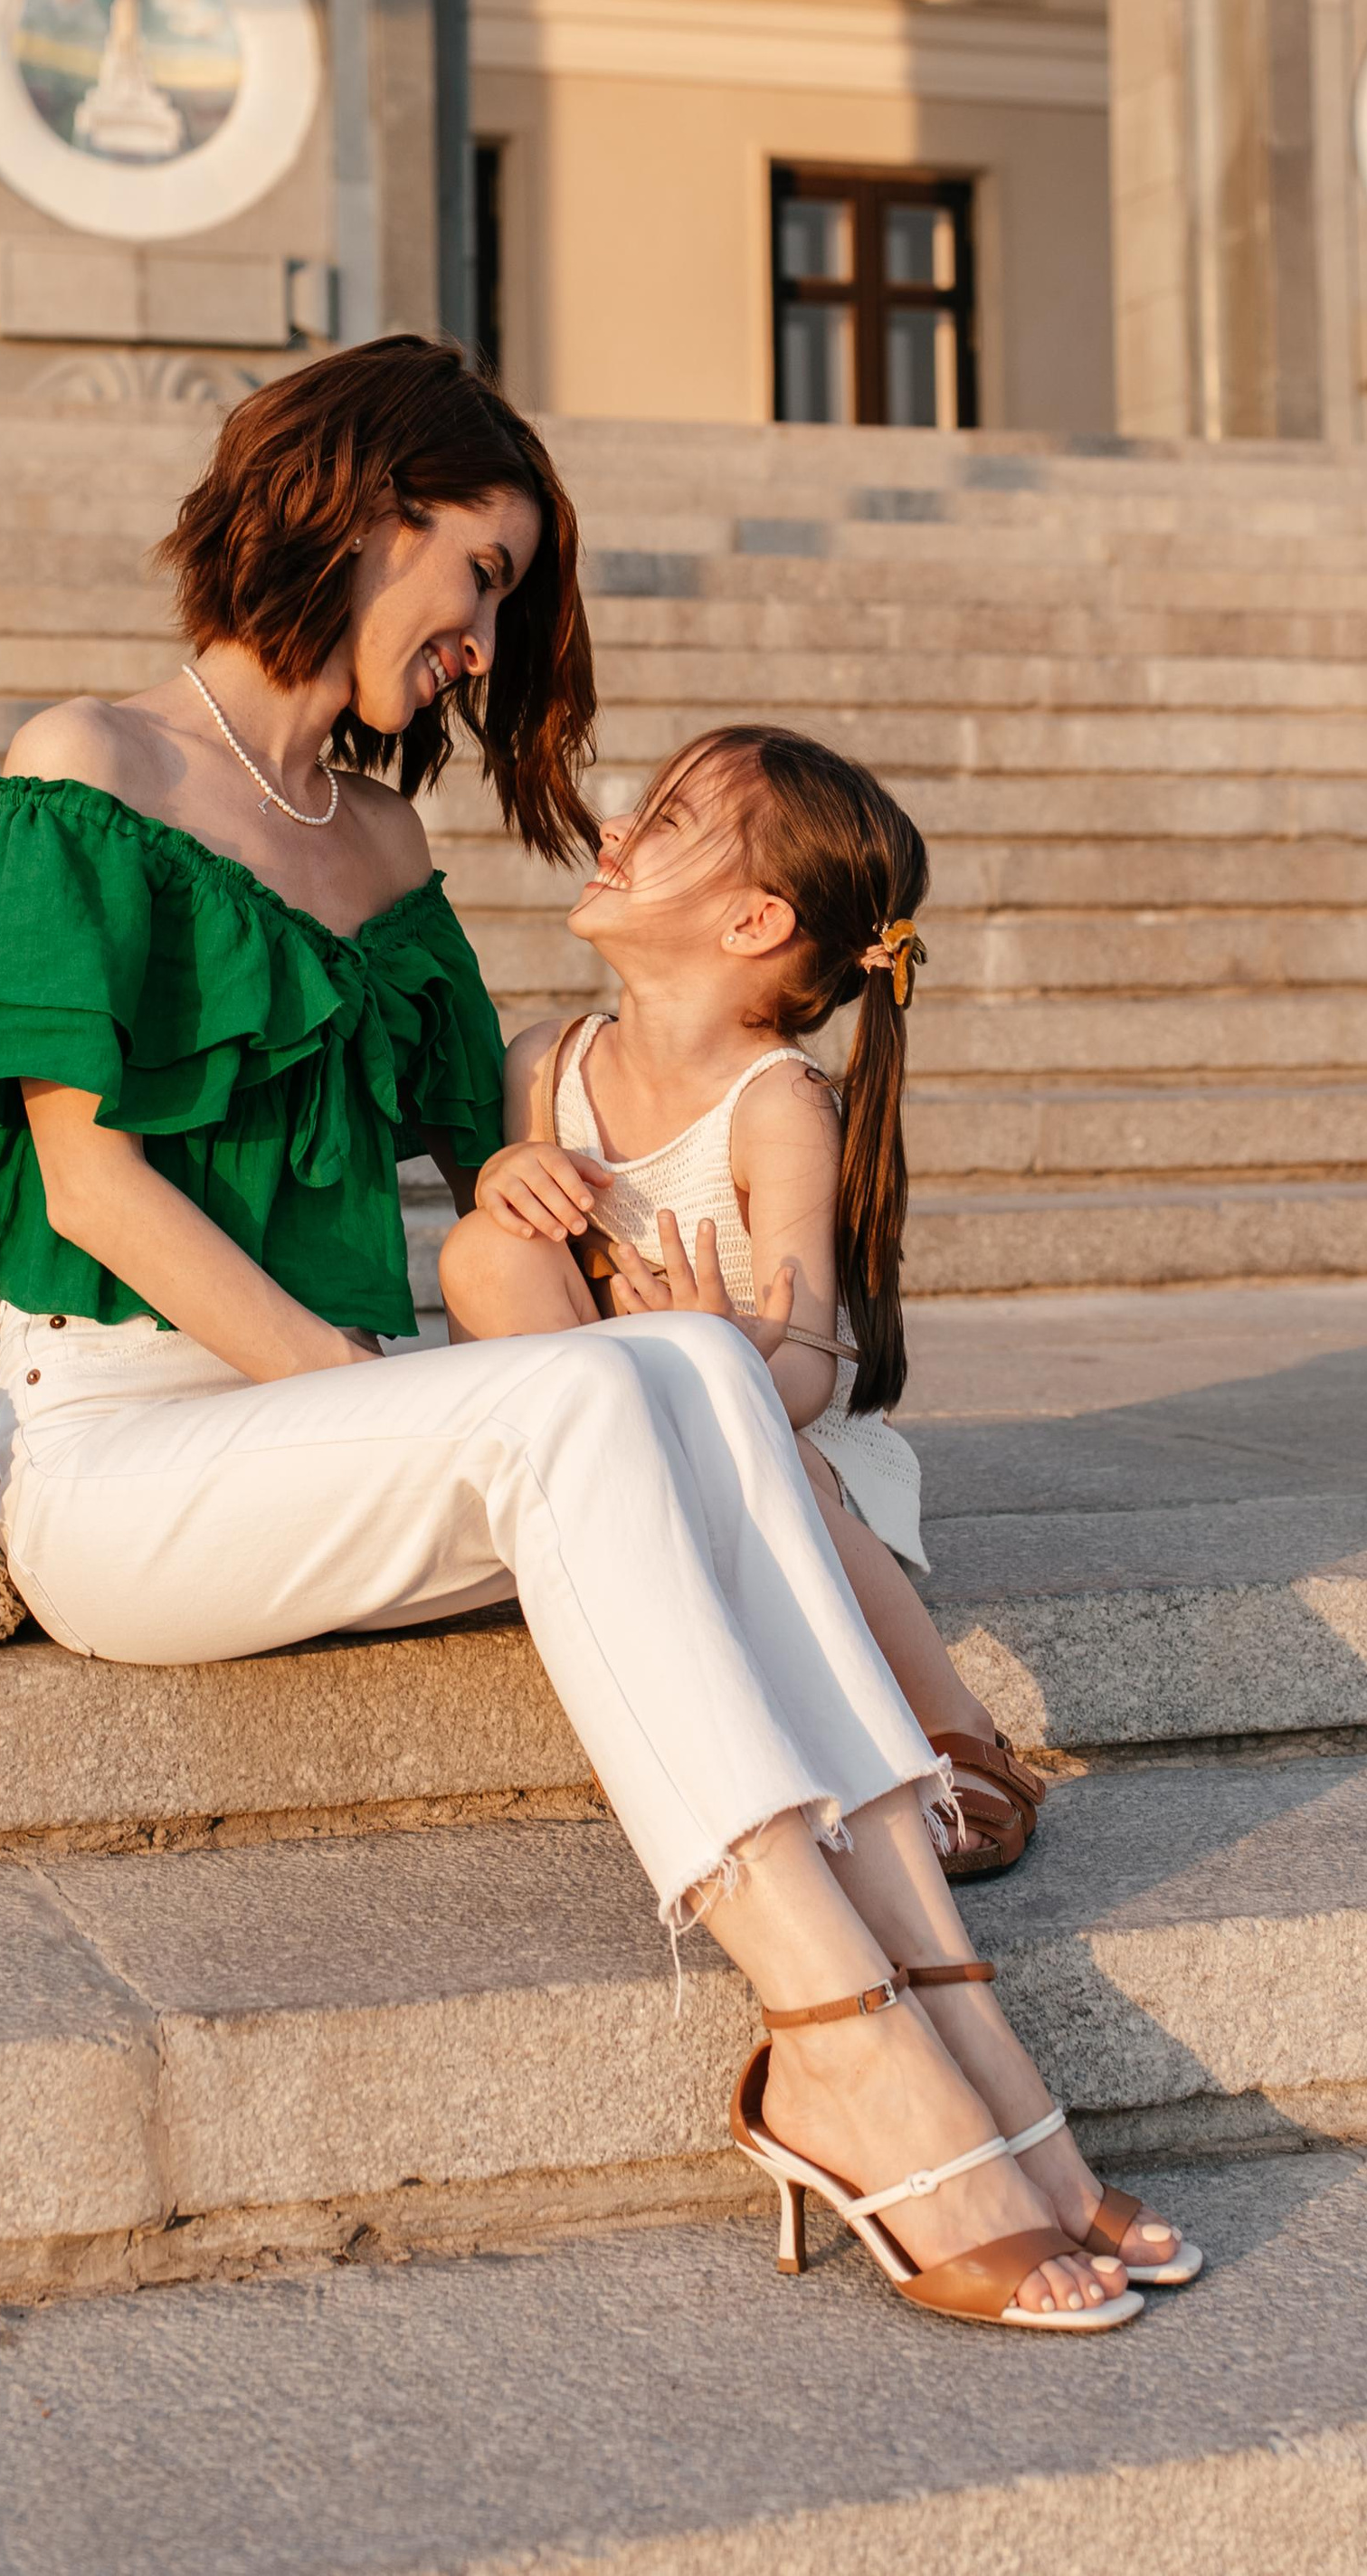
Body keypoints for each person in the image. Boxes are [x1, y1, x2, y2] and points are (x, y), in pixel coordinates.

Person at [0, 337, 1168, 2329]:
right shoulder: (93, 773)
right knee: (576, 1401)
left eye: (499, 594)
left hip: (327, 1440)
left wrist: (678, 1258)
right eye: (475, 573)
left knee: (655, 1370)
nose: (485, 641)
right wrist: (410, 1401)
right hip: (126, 1452)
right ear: (352, 510)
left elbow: (511, 1163)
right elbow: (92, 1190)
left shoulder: (381, 851)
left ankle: (956, 2030)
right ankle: (828, 2027)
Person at [437, 723, 1049, 1881]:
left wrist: (720, 1352)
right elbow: (514, 1288)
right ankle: (609, 1535)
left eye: (662, 821)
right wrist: (504, 1175)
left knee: (769, 1445)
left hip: (759, 1426)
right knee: (482, 1248)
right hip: (586, 1432)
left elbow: (811, 1365)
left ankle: (956, 1730)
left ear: (754, 922)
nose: (612, 830)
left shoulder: (775, 1105)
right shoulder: (543, 1064)